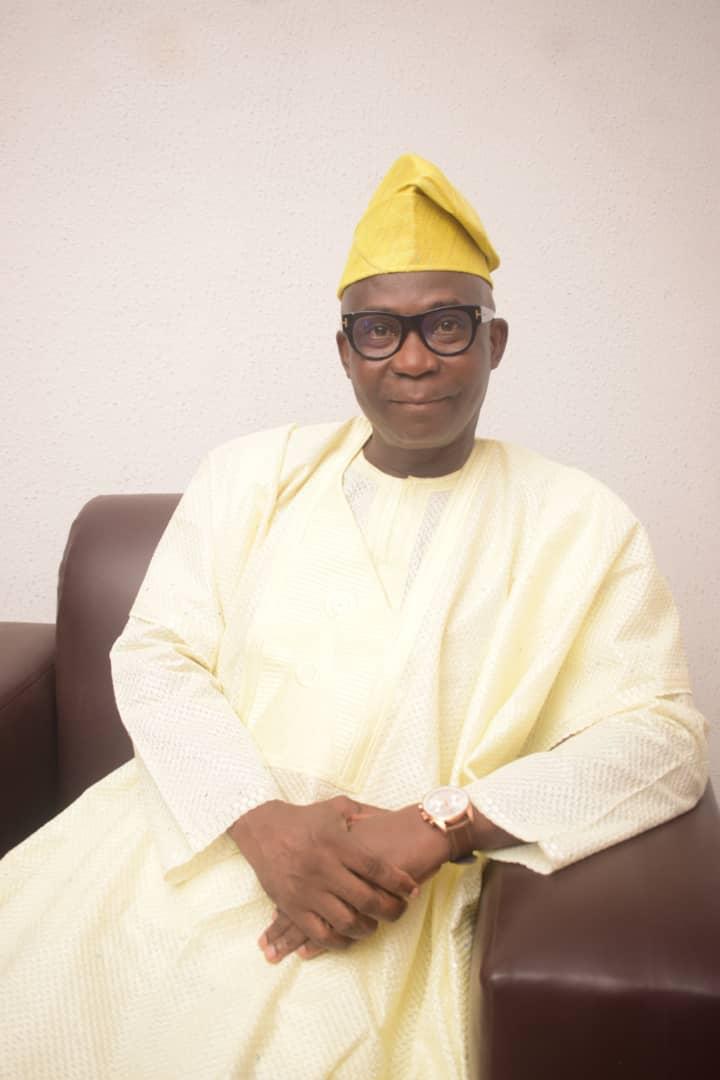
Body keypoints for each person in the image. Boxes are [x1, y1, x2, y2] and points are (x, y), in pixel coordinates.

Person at [0, 153, 708, 1078]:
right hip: (181, 840)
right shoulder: (248, 476)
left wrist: (443, 823)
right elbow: (159, 655)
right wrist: (262, 824)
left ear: (494, 341)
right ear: (345, 352)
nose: (413, 359)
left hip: (391, 897)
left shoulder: (581, 521)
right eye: (379, 331)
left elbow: (662, 738)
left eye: (446, 324)